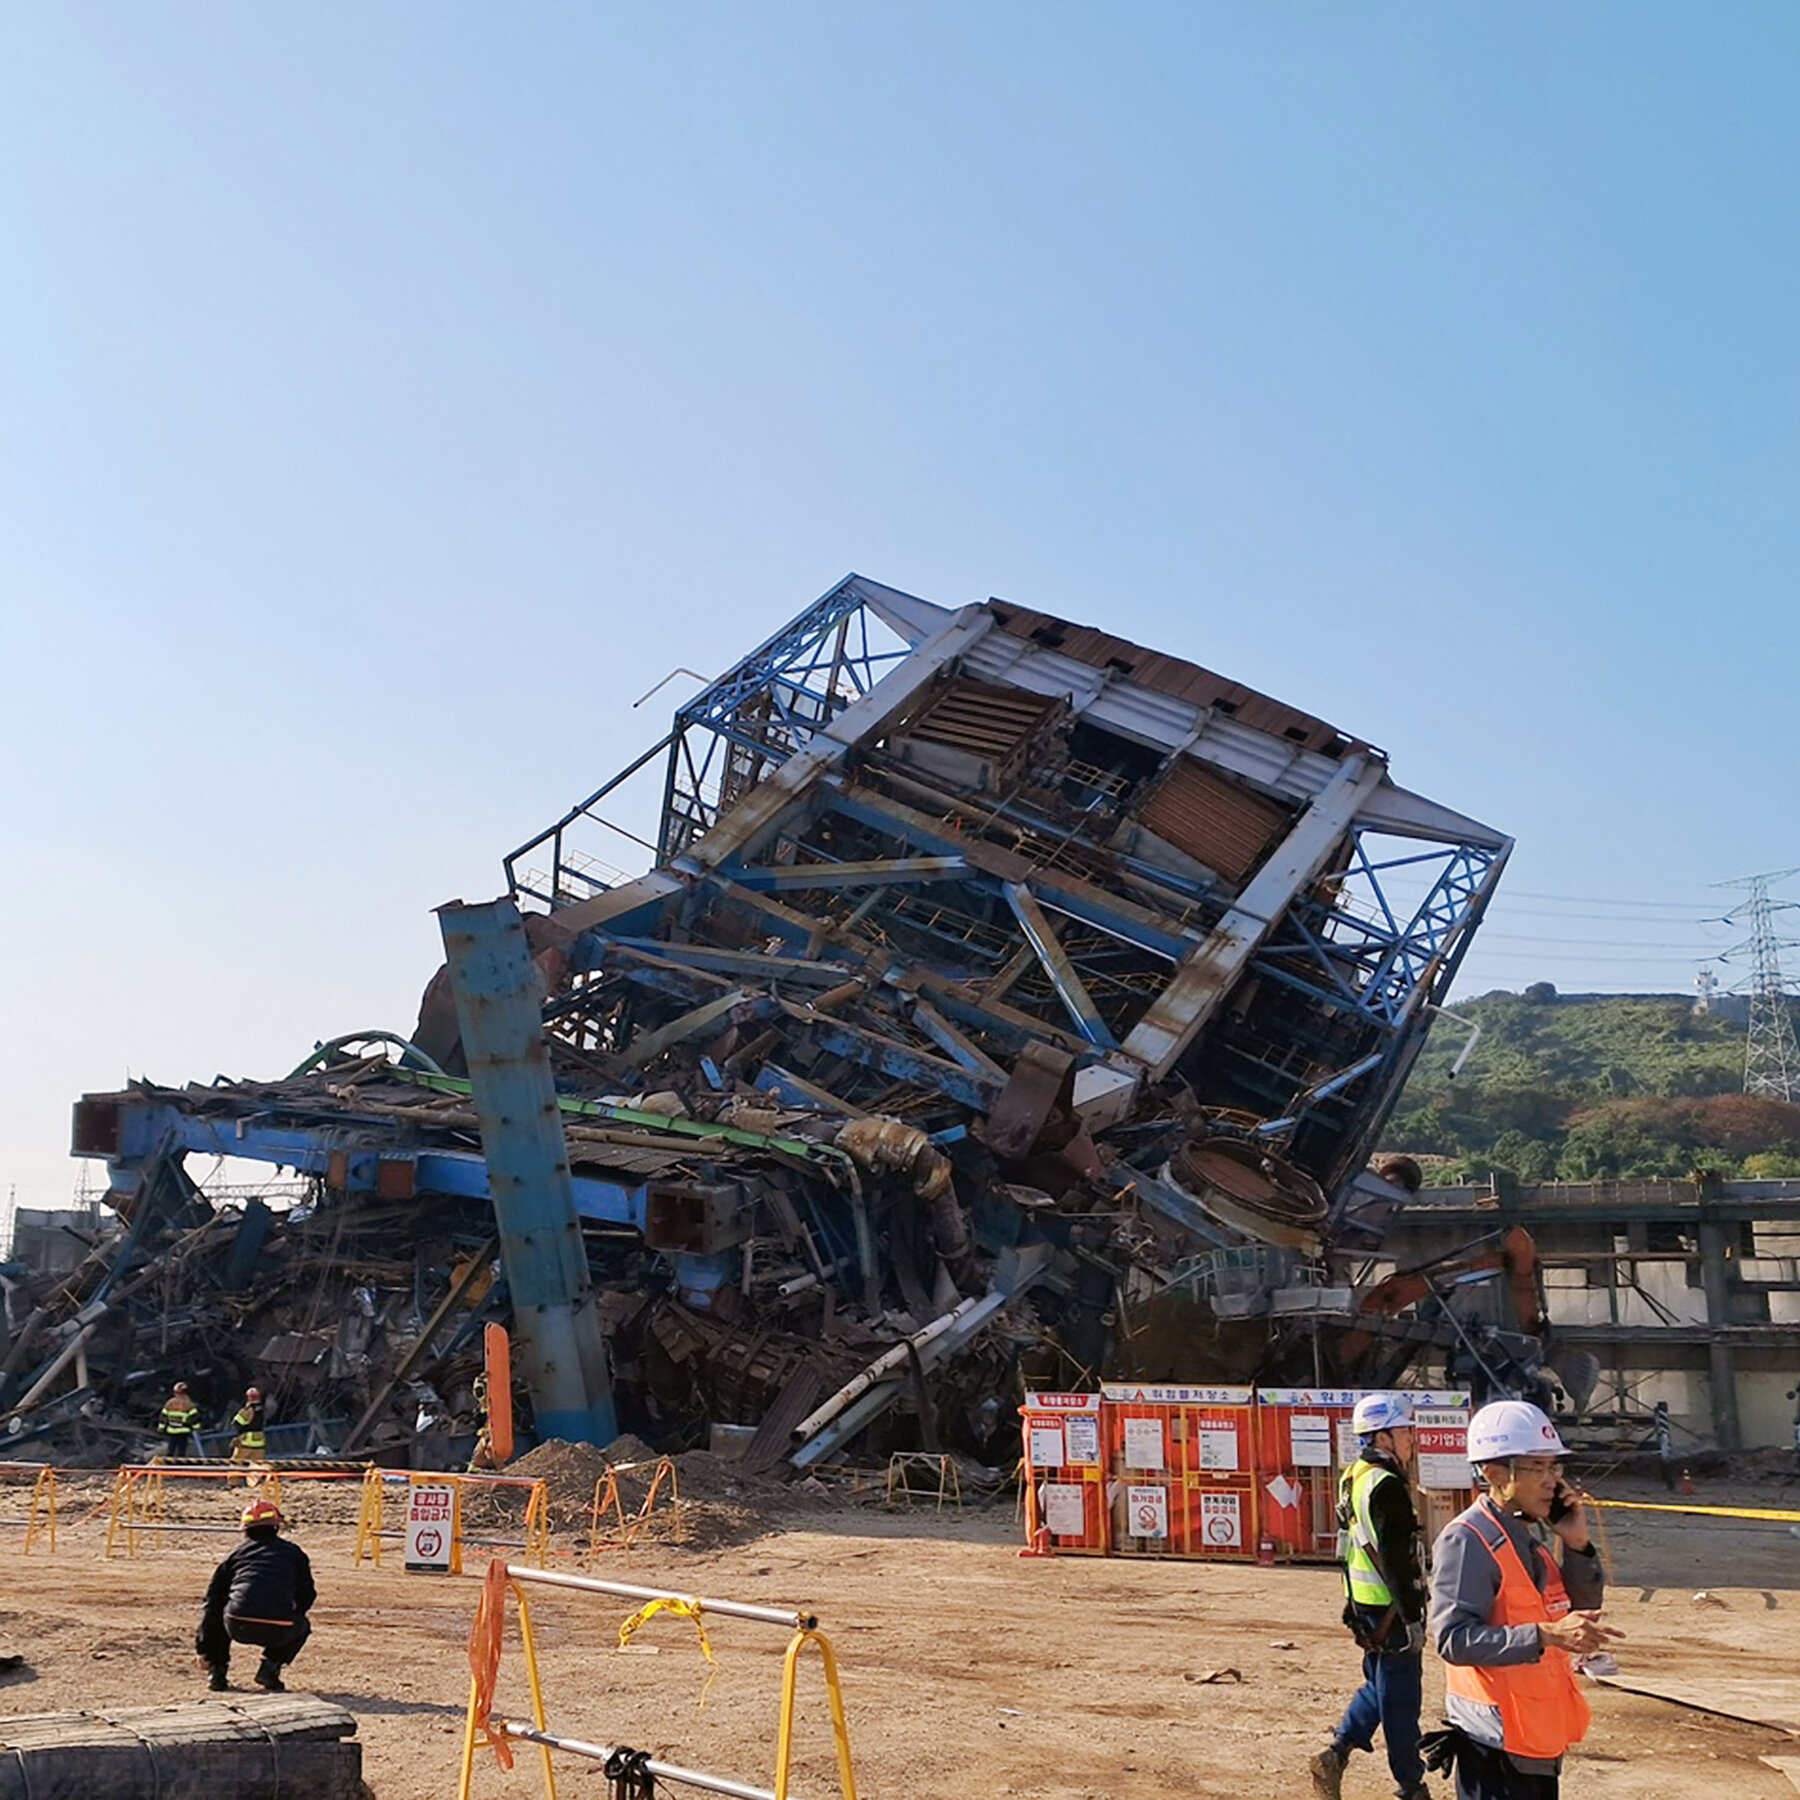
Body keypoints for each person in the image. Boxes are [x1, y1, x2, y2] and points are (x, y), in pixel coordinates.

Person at [1425, 1399, 1620, 1799]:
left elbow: (1574, 1608)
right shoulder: (1469, 1540)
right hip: (1495, 1749)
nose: (1552, 1480)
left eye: (1555, 1467)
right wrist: (1545, 1635)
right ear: (1495, 1472)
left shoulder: (1529, 1538)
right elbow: (1452, 1640)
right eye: (1538, 1468)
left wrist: (1577, 1543)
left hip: (1534, 1737)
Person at [1311, 1393, 1431, 1800]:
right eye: (1404, 1431)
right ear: (1383, 1437)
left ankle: (1337, 1752)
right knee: (1401, 1701)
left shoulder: (1355, 1474)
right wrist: (1412, 1617)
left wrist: (1350, 1603)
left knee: (1378, 1686)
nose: (1411, 1438)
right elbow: (1396, 1559)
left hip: (1367, 1604)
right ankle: (1410, 1785)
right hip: (1391, 1609)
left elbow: (1350, 1545)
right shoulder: (1387, 1486)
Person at [196, 1500, 316, 1693]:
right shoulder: (294, 1553)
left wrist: (203, 1649)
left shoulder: (234, 1555)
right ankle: (270, 1668)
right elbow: (307, 1595)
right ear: (276, 1526)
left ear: (245, 1529)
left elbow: (212, 1600)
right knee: (302, 1626)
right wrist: (290, 1612)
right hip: (281, 1627)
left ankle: (217, 1673)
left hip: (237, 1623)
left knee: (219, 1612)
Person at [230, 1386, 268, 1479]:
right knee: (257, 1465)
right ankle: (253, 1483)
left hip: (245, 1441)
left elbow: (236, 1423)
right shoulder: (262, 1409)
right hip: (259, 1441)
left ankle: (233, 1483)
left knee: (236, 1462)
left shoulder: (248, 1410)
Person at [158, 1382, 202, 1461]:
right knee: (181, 1452)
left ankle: (168, 1467)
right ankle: (179, 1467)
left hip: (171, 1431)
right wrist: (196, 1429)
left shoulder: (170, 1403)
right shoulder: (189, 1404)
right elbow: (194, 1418)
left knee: (171, 1451)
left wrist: (161, 1429)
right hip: (184, 1432)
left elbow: (163, 1417)